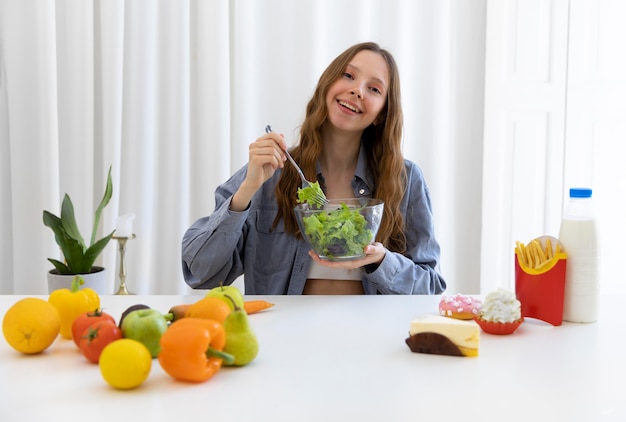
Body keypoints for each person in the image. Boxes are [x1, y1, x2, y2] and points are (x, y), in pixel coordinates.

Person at [182, 41, 446, 295]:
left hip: (371, 337)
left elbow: (430, 287)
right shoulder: (272, 172)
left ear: (382, 114)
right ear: (327, 85)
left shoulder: (406, 179)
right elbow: (201, 272)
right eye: (348, 75)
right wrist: (246, 190)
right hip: (285, 336)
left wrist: (381, 262)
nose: (357, 90)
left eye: (374, 89)